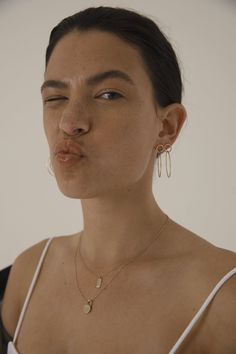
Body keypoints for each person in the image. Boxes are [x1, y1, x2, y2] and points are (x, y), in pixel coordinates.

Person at [1, 6, 236, 354]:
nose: (70, 121)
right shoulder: (24, 276)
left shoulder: (223, 298)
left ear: (167, 126)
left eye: (108, 95)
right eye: (56, 97)